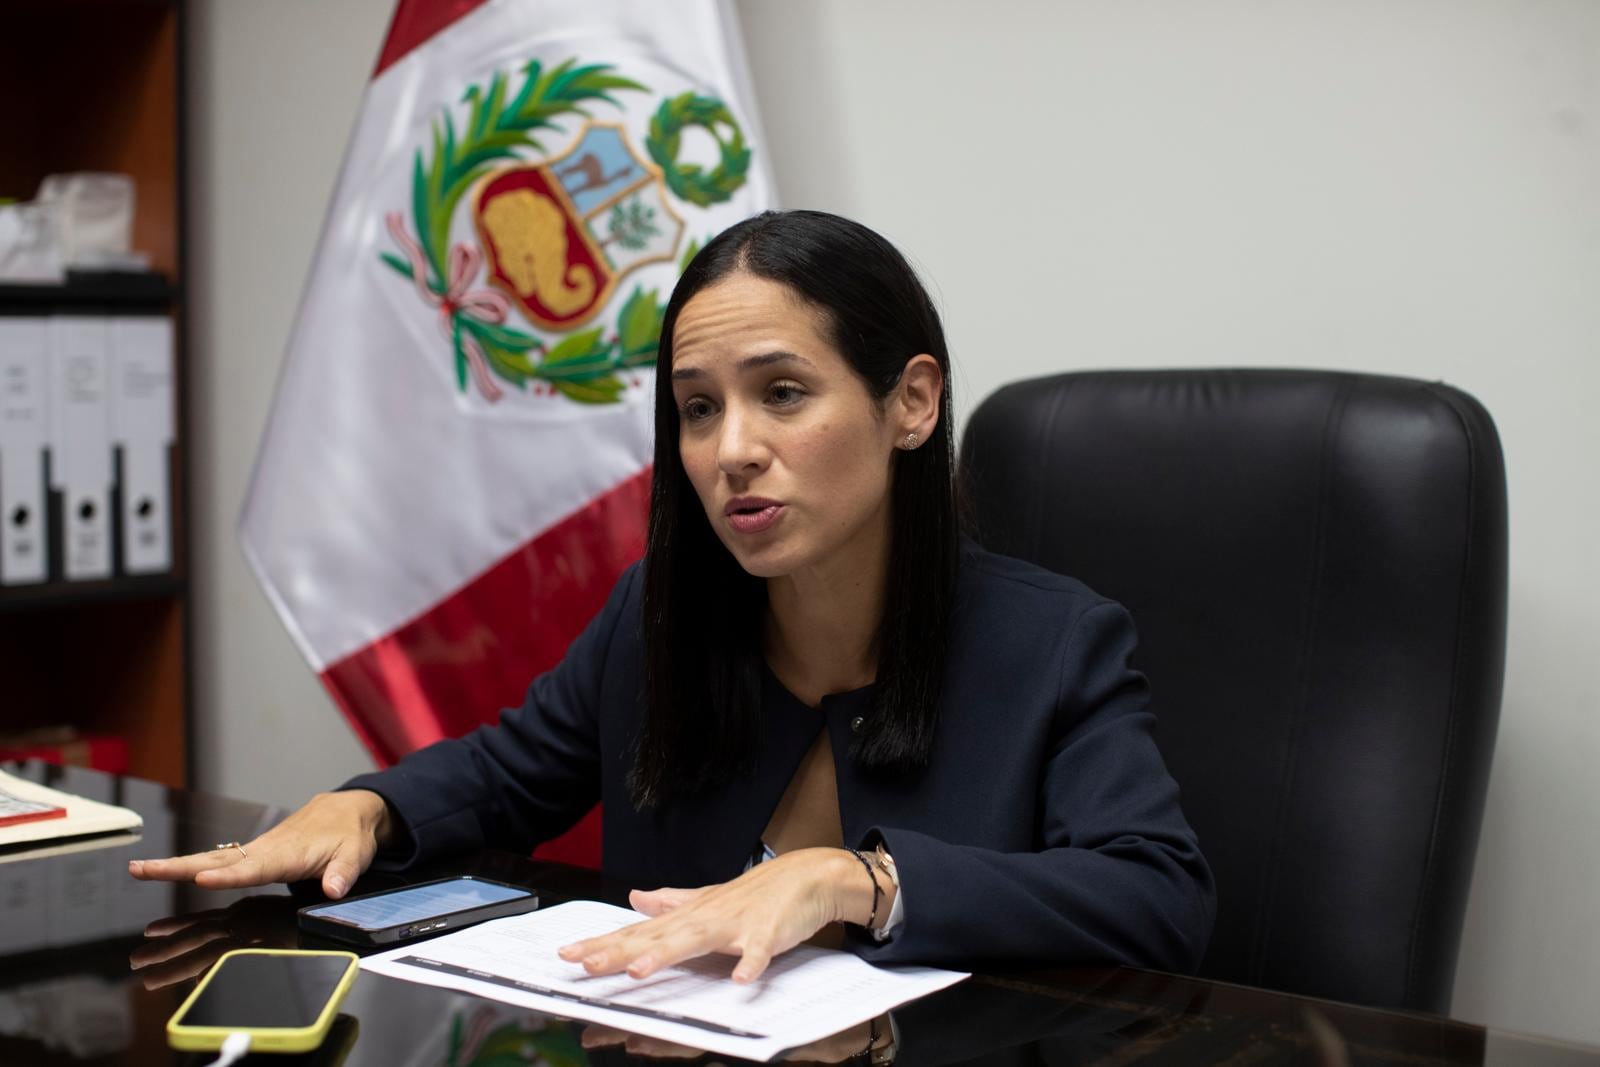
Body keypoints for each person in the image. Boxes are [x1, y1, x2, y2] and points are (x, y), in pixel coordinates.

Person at [130, 210, 1215, 985]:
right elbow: (506, 774)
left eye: (781, 393)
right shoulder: (662, 613)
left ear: (912, 402)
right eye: (698, 409)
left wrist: (859, 881)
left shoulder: (1053, 639)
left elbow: (1158, 899)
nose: (731, 449)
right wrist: (366, 806)